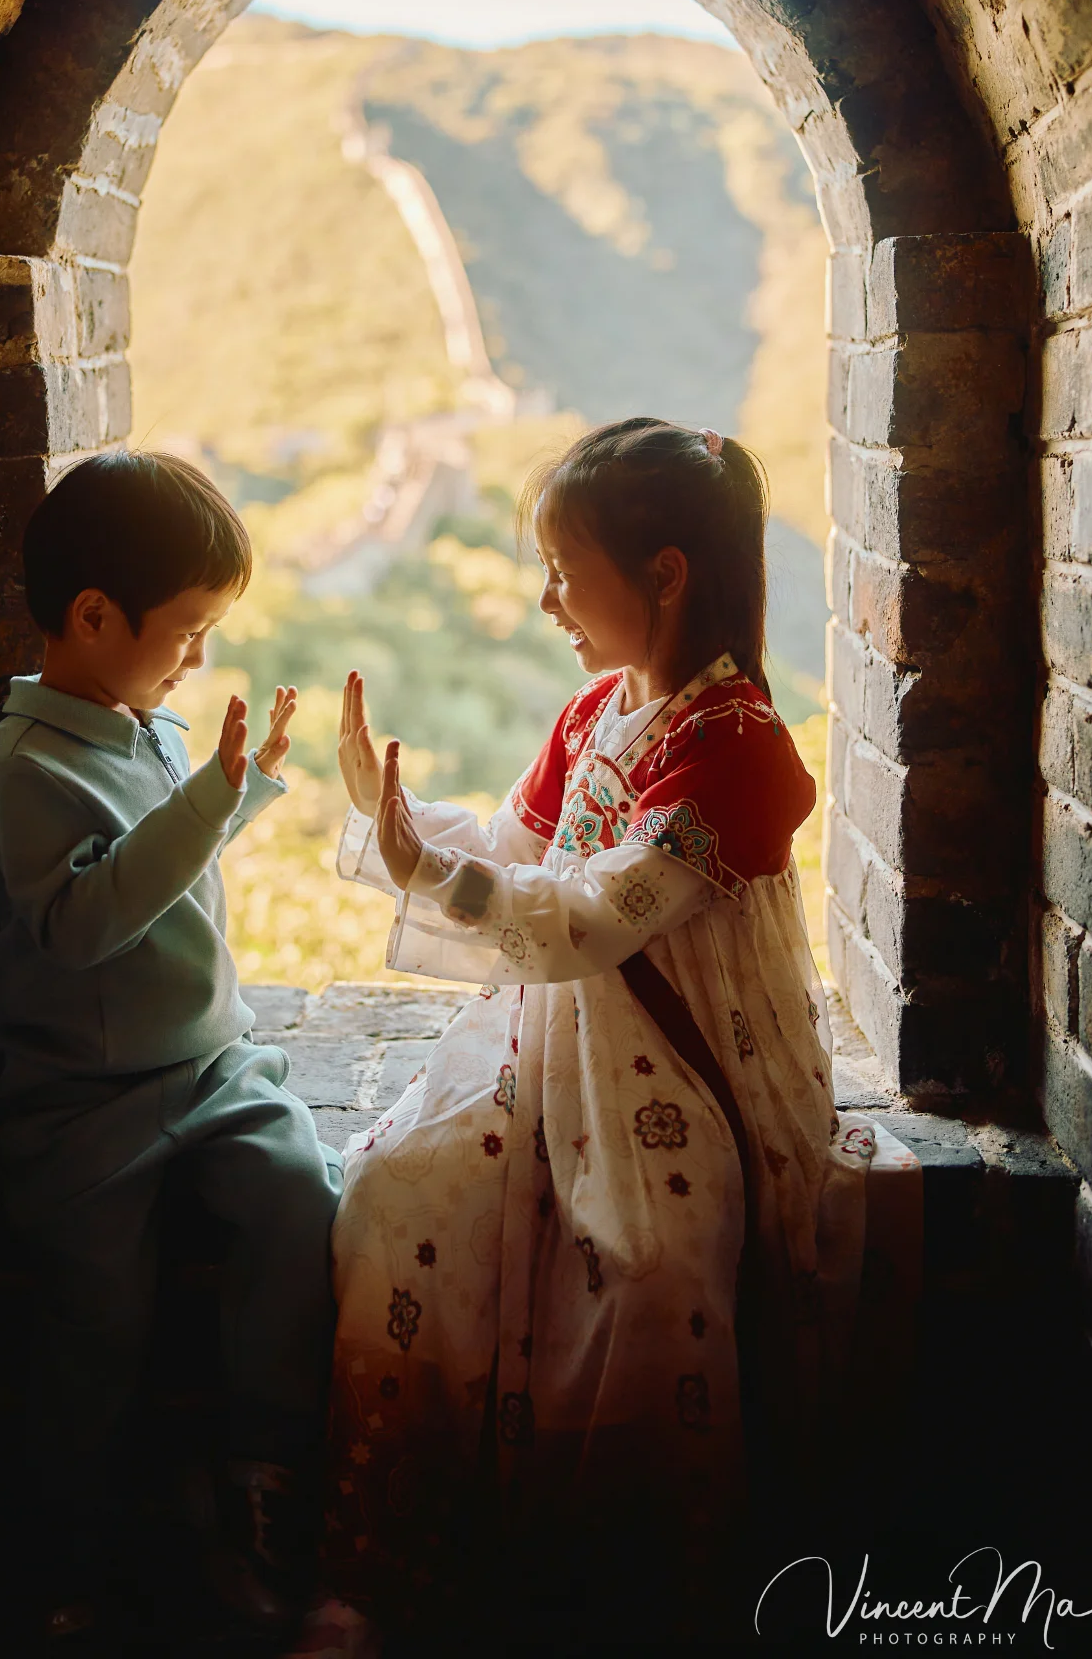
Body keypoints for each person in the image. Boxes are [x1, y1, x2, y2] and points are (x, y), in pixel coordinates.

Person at [316, 418, 887, 1646]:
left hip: (681, 1085)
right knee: (388, 1193)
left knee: (639, 1266)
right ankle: (394, 1560)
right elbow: (527, 856)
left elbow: (585, 921)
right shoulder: (596, 712)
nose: (546, 601)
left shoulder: (736, 748)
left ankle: (634, 1594)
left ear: (664, 572)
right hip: (554, 1061)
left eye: (565, 571)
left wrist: (422, 866)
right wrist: (397, 826)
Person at [0, 450, 343, 1635]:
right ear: (91, 615)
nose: (195, 655)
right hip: (87, 1102)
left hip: (211, 1060)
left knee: (300, 1196)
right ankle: (69, 1561)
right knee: (96, 1326)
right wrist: (205, 799)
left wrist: (239, 791)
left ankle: (262, 1468)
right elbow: (87, 922)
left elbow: (170, 879)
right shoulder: (22, 767)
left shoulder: (148, 729)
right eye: (184, 629)